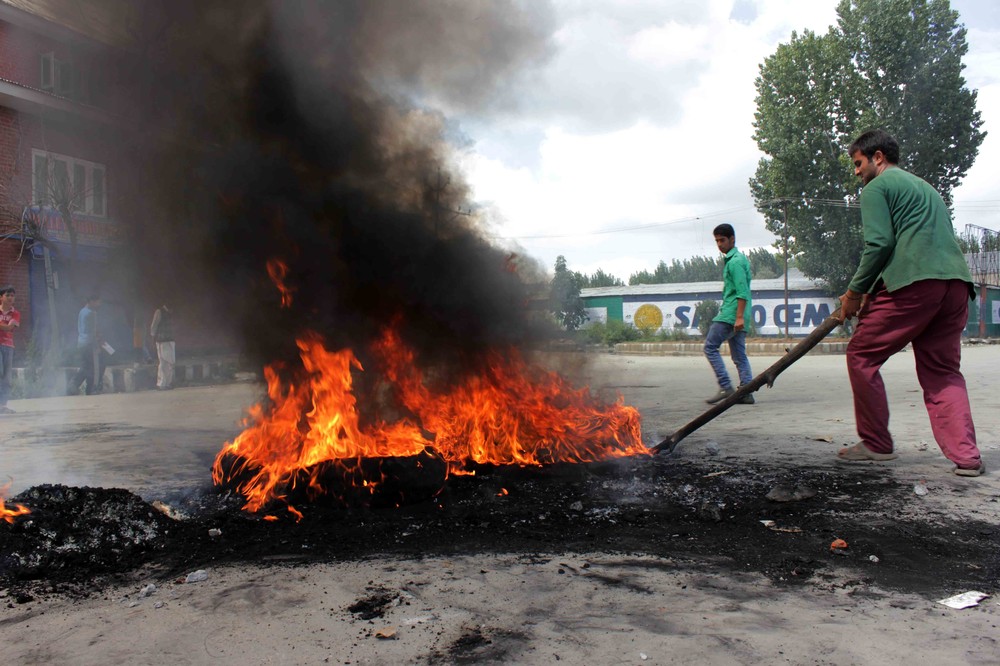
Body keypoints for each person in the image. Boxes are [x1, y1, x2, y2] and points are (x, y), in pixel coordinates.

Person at [837, 129, 983, 477]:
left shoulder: (876, 188)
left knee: (861, 354)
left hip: (916, 284)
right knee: (942, 371)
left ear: (877, 157)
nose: (856, 172)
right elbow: (915, 240)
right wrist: (872, 291)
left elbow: (880, 244)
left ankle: (876, 443)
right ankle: (967, 458)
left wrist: (855, 292)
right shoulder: (926, 188)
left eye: (858, 163)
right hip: (956, 285)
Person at [703, 223, 754, 405]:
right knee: (739, 356)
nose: (719, 244)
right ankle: (746, 392)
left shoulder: (735, 262)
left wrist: (738, 317)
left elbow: (742, 291)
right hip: (739, 314)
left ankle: (725, 386)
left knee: (710, 347)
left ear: (732, 239)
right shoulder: (736, 260)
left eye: (722, 240)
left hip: (731, 314)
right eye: (717, 241)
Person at [69, 295, 104, 395]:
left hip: (81, 343)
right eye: (98, 302)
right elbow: (92, 331)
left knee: (86, 366)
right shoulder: (92, 313)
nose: (99, 304)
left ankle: (77, 385)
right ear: (92, 301)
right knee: (93, 367)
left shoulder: (82, 311)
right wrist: (97, 345)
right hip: (89, 344)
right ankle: (87, 387)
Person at [0, 285, 21, 414]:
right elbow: (7, 326)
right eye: (7, 295)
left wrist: (4, 326)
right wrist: (5, 326)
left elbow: (10, 328)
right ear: (1, 297)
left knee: (6, 377)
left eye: (12, 296)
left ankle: (3, 405)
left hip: (8, 346)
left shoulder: (16, 313)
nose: (10, 298)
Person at [150, 302, 175, 390]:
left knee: (169, 362)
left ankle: (166, 383)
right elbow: (154, 325)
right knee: (164, 362)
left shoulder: (170, 312)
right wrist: (153, 337)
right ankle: (162, 384)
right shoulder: (159, 312)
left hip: (170, 340)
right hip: (162, 341)